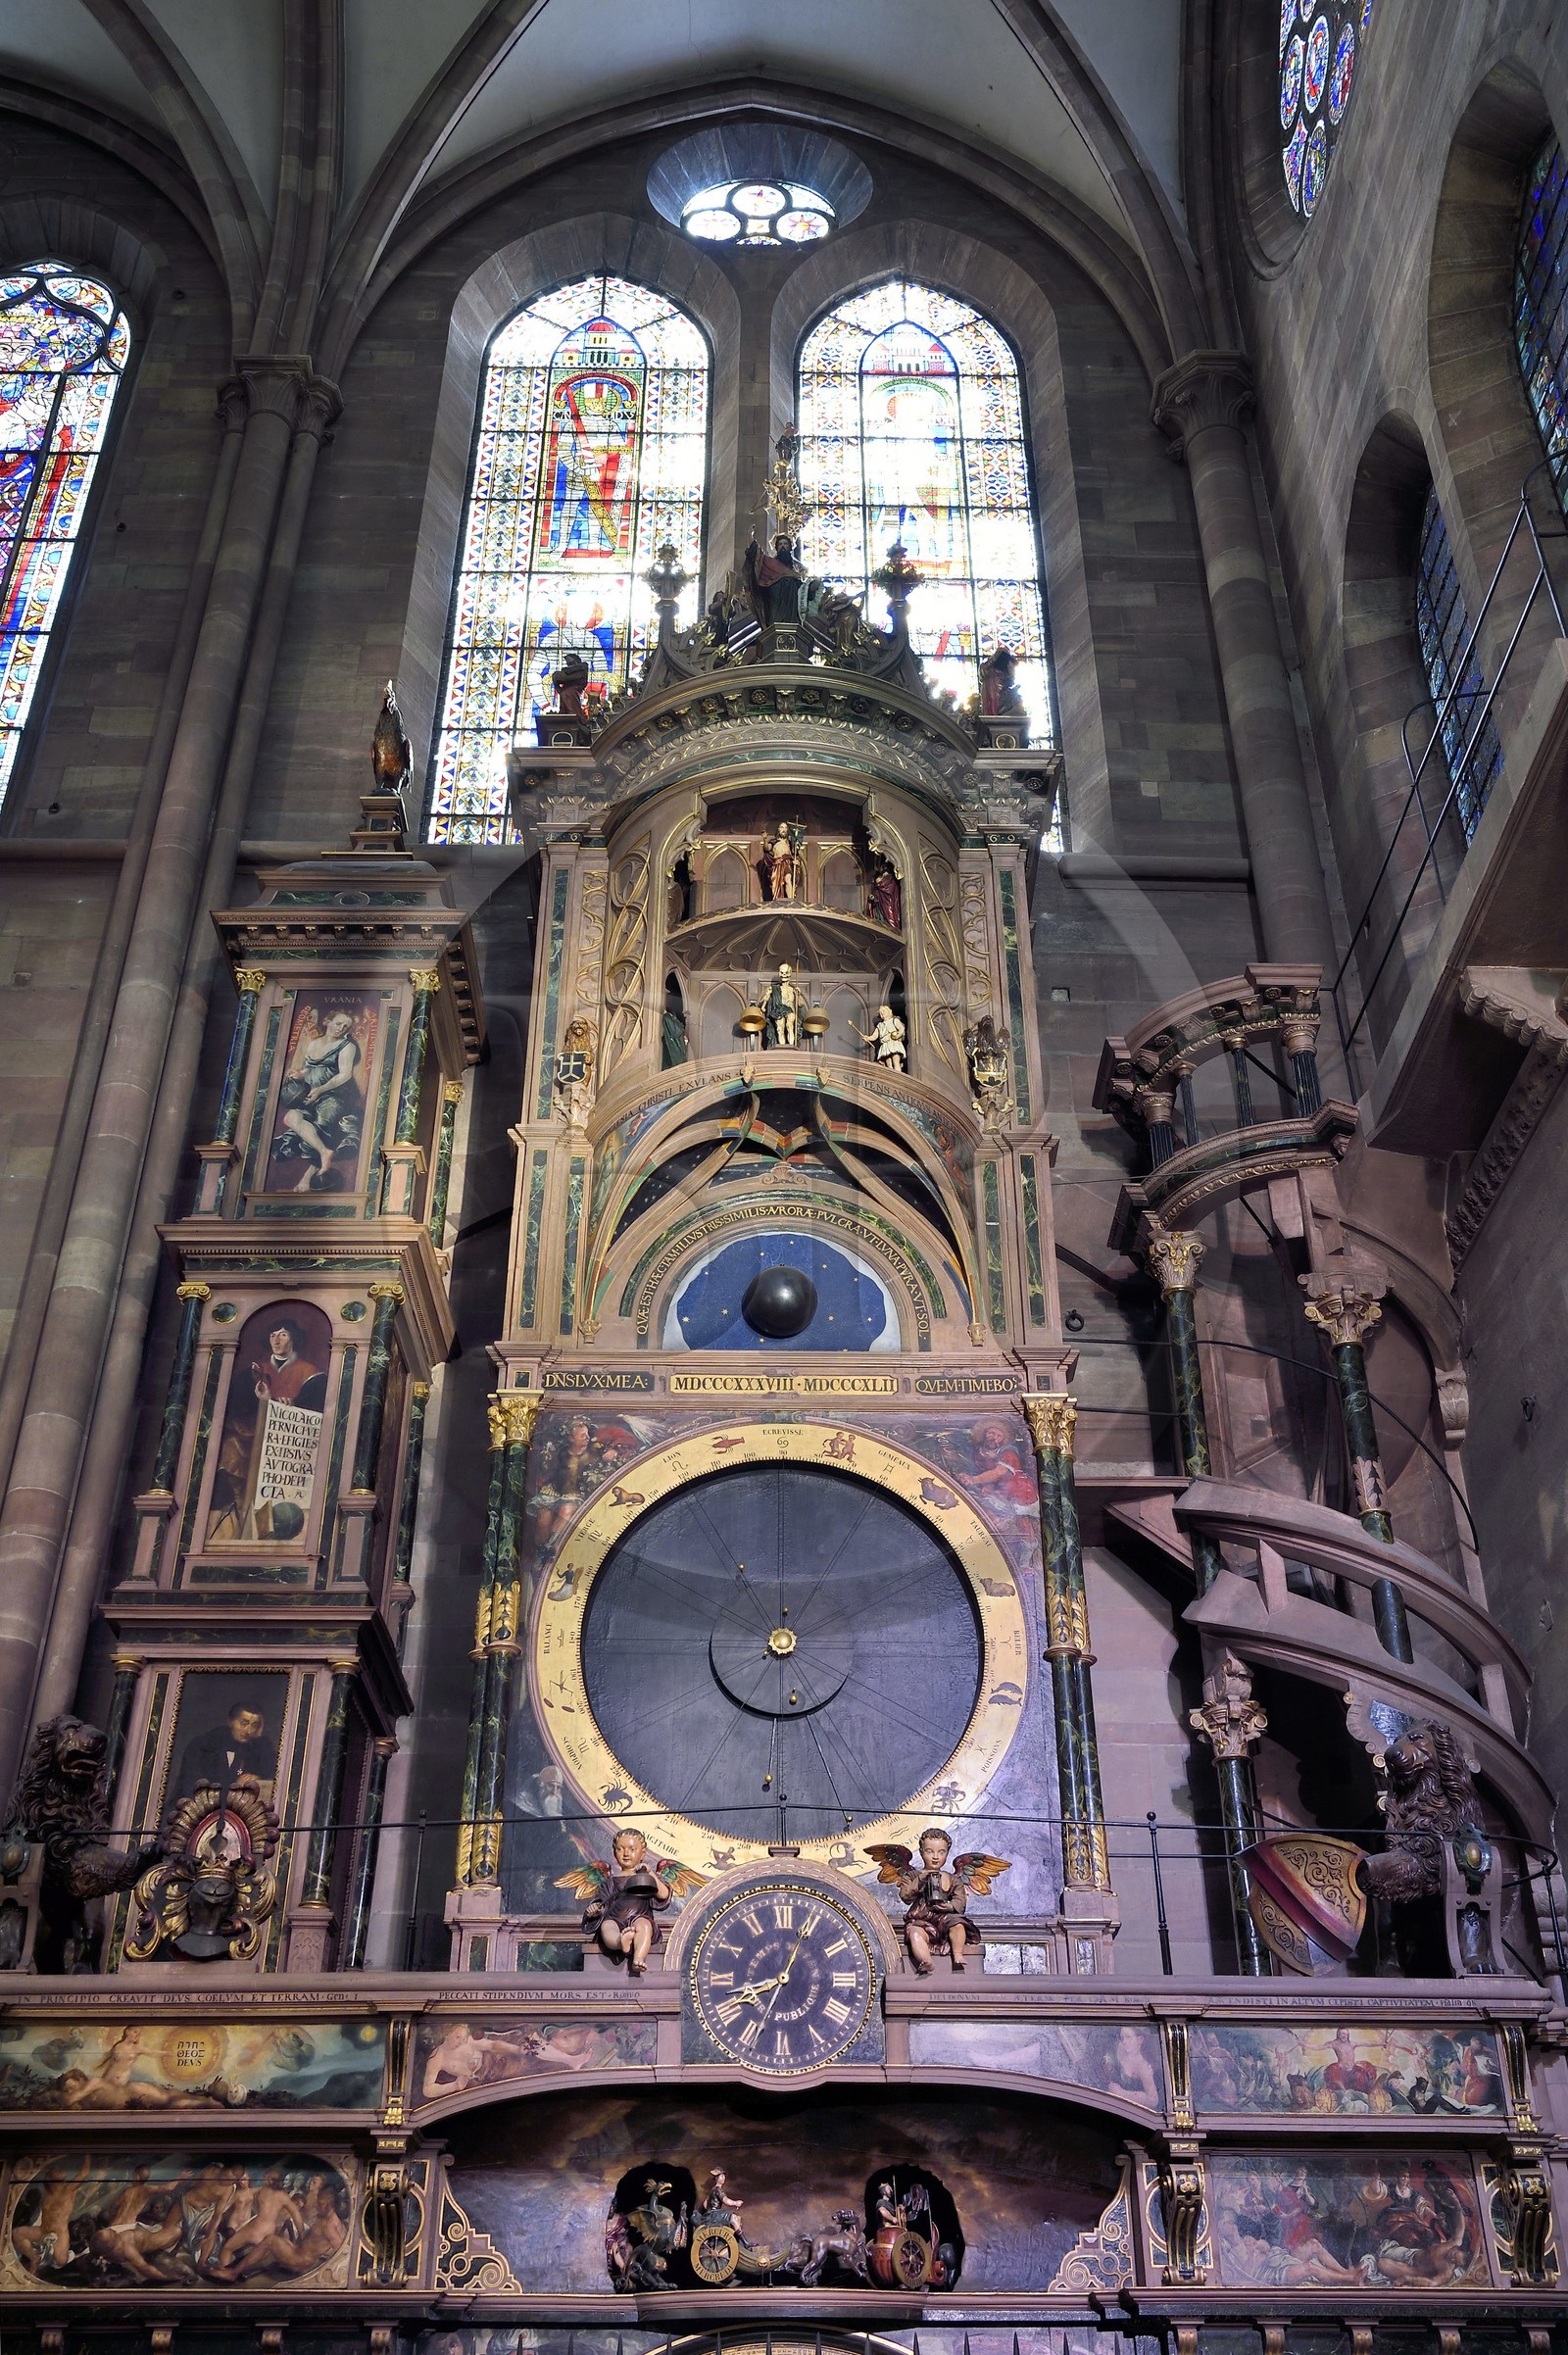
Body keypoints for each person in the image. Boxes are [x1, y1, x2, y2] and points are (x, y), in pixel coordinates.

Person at [173, 1698, 274, 1802]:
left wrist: (257, 1779)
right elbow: (195, 1789)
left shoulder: (257, 1748)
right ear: (230, 1721)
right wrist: (234, 1785)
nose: (248, 1731)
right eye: (244, 1724)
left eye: (254, 1726)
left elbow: (272, 1779)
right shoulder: (203, 1746)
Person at [854, 1004, 906, 1072]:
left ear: (889, 1011)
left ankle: (899, 1076)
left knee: (895, 1060)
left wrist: (898, 1035)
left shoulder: (894, 1020)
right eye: (880, 1013)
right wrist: (868, 1038)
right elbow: (875, 1036)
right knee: (888, 1063)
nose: (882, 1014)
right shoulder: (880, 1025)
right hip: (885, 1045)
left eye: (883, 1011)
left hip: (893, 1043)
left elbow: (901, 1028)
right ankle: (891, 1076)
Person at [763, 962, 802, 1050]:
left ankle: (791, 1047)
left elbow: (800, 1004)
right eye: (782, 972)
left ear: (790, 973)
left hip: (790, 1008)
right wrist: (766, 998)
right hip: (778, 1009)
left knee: (789, 1025)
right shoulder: (775, 989)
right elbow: (765, 999)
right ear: (779, 974)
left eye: (786, 972)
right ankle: (782, 1048)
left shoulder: (793, 990)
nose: (784, 975)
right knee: (780, 1029)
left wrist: (798, 995)